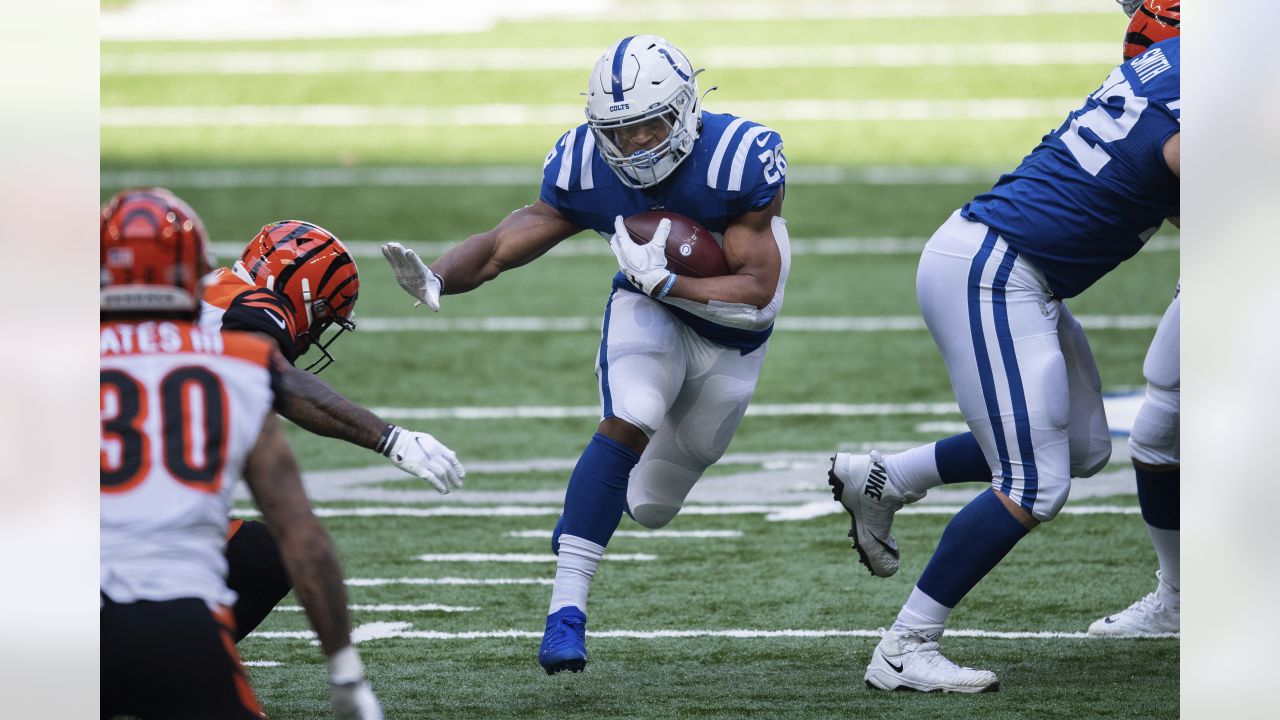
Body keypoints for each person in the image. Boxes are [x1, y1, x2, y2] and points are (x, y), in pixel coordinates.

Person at [382, 34, 790, 674]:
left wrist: (673, 281)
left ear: (684, 111)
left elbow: (756, 287)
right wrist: (438, 277)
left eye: (648, 127)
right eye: (618, 132)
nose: (633, 147)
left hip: (731, 332)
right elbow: (501, 244)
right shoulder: (585, 163)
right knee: (633, 410)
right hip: (648, 308)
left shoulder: (737, 159)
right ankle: (565, 612)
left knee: (654, 504)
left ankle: (596, 505)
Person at [827, 31, 1180, 691]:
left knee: (1082, 447)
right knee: (1034, 484)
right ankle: (905, 645)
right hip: (996, 274)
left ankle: (887, 477)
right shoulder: (1209, 89)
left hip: (1010, 269)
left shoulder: (1180, 72)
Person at [100, 188, 382, 719]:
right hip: (175, 611)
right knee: (269, 552)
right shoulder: (240, 349)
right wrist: (387, 436)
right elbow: (301, 531)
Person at [198, 217, 467, 639]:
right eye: (323, 317)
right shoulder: (254, 306)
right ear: (305, 294)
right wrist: (389, 437)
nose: (314, 332)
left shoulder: (209, 291)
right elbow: (278, 379)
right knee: (269, 557)